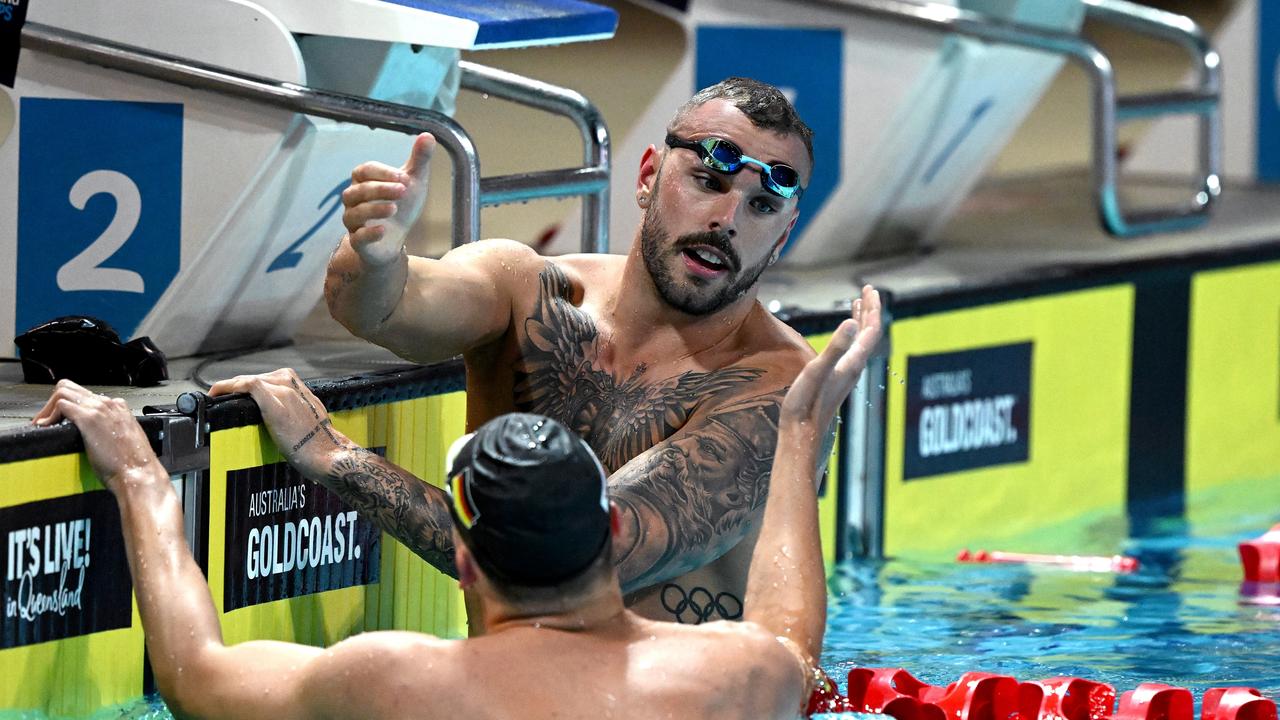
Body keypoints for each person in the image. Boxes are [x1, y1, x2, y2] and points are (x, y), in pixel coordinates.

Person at [30, 287, 881, 720]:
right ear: (612, 525)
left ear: (465, 559)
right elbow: (789, 640)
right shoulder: (729, 675)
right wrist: (801, 426)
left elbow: (194, 681)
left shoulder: (399, 681)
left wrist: (140, 481)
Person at [313, 76, 827, 623]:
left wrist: (336, 460)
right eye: (707, 182)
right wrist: (376, 253)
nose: (728, 221)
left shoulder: (780, 387)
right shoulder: (528, 290)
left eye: (763, 207)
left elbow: (574, 561)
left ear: (783, 235)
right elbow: (381, 308)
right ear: (649, 175)